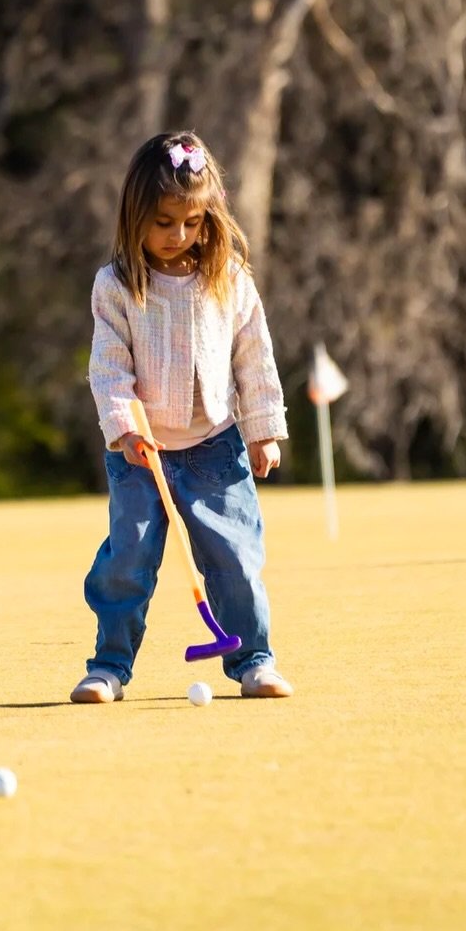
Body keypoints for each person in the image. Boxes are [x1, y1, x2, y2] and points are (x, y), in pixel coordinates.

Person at [73, 131, 294, 703]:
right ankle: (109, 667)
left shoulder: (228, 280)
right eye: (164, 222)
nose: (178, 236)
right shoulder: (116, 286)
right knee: (129, 560)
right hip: (140, 454)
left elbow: (254, 355)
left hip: (215, 448)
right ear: (135, 216)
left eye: (191, 222)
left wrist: (265, 428)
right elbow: (109, 367)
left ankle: (254, 660)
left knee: (236, 559)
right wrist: (124, 428)